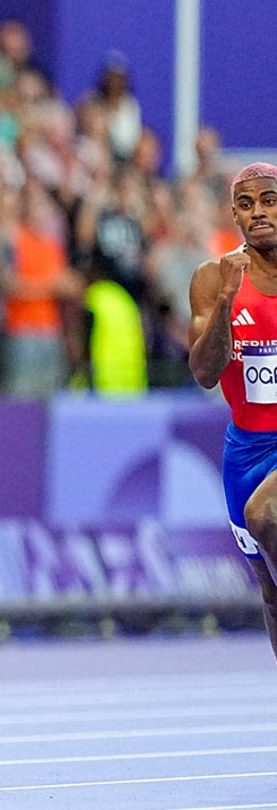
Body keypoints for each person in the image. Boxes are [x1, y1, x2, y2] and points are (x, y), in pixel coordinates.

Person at [188, 161, 277, 662]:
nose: (258, 212)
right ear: (235, 217)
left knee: (264, 513)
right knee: (269, 590)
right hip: (246, 449)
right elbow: (204, 372)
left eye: (268, 200)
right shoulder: (212, 277)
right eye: (246, 205)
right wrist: (224, 303)